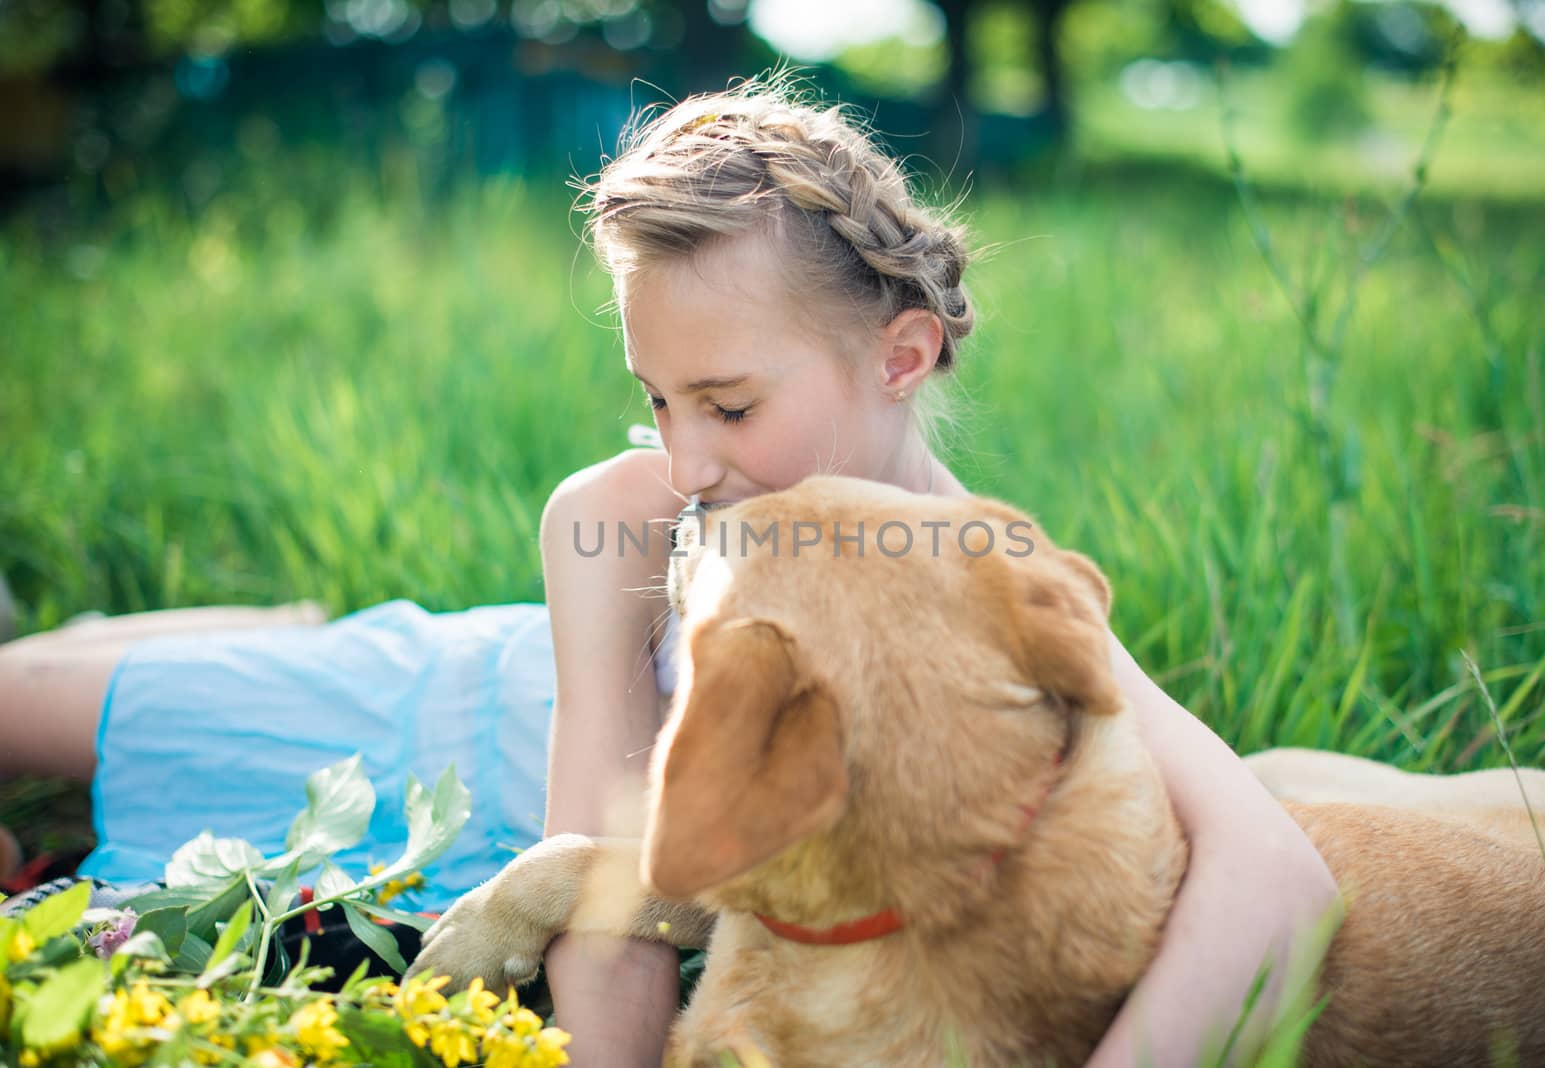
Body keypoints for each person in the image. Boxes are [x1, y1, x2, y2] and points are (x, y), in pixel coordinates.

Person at [0, 77, 1339, 1066]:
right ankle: (216, 632)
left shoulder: (986, 580)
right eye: (656, 401)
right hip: (414, 708)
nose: (687, 459)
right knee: (21, 706)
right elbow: (604, 866)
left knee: (82, 920)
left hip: (438, 885)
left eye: (730, 405)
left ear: (902, 354)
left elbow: (1278, 873)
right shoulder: (621, 514)